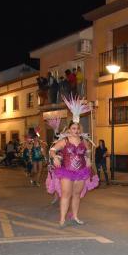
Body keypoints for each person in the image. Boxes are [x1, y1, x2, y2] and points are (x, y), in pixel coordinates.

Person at [47, 95, 98, 227]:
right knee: (66, 194)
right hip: (66, 171)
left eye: (78, 128)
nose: (76, 131)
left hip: (81, 172)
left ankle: (75, 216)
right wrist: (55, 158)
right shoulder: (64, 140)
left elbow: (87, 152)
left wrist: (88, 159)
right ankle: (62, 219)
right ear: (69, 129)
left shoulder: (83, 141)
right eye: (74, 128)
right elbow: (52, 150)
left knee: (76, 194)